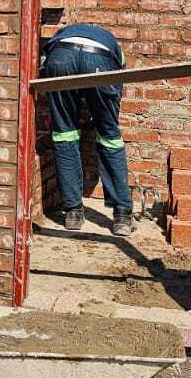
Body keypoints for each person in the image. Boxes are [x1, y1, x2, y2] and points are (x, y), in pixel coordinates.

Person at [41, 21, 134, 236]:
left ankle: (73, 213)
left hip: (61, 57)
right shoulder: (113, 45)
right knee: (110, 136)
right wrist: (103, 117)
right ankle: (122, 216)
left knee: (64, 134)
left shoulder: (60, 36)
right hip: (99, 58)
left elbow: (45, 69)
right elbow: (115, 90)